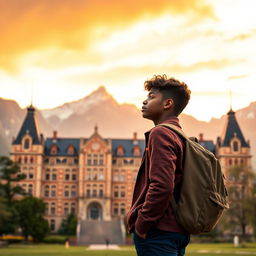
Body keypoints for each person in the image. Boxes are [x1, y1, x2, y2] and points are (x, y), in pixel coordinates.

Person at [127, 74, 191, 256]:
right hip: (177, 230)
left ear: (167, 104)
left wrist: (142, 223)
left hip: (158, 232)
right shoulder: (180, 135)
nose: (145, 101)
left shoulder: (160, 133)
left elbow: (162, 185)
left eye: (151, 97)